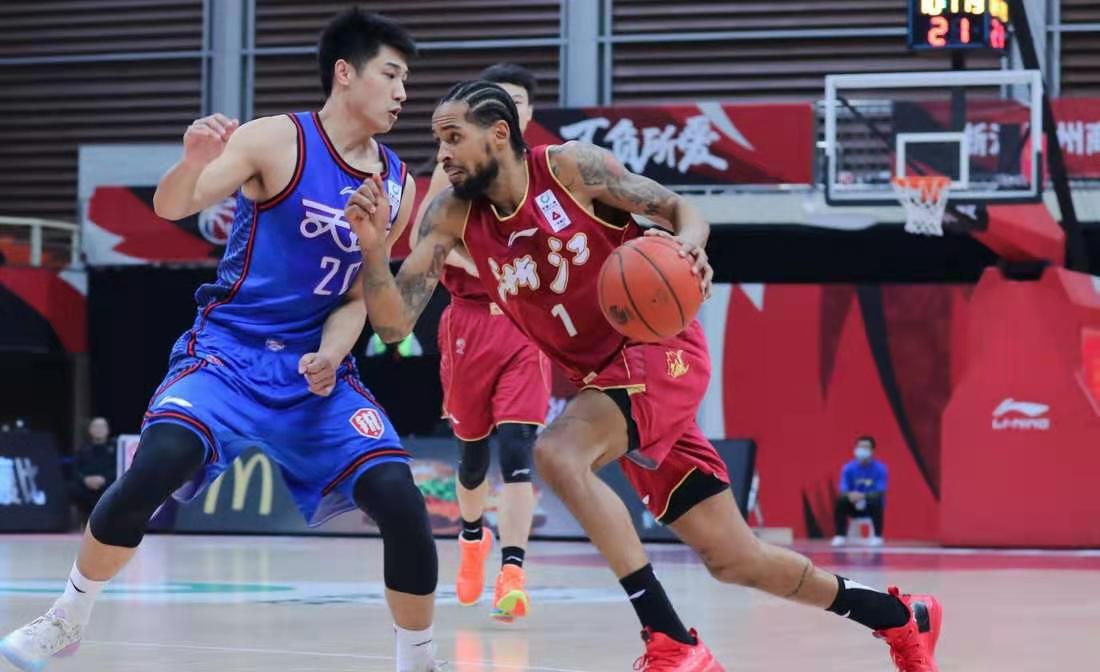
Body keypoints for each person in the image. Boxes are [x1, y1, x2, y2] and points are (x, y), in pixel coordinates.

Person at [346, 80, 944, 671]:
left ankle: (671, 640)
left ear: (499, 134)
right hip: (605, 385)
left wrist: (689, 246)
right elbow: (395, 326)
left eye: (453, 138)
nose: (443, 154)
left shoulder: (570, 169)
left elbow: (680, 209)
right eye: (438, 141)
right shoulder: (451, 214)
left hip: (659, 351)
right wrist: (374, 251)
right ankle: (900, 617)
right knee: (736, 559)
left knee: (557, 453)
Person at [0, 10, 441, 672]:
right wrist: (192, 163)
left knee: (401, 500)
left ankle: (420, 659)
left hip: (315, 373)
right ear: (346, 74)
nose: (403, 93)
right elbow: (174, 206)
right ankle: (67, 617)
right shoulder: (277, 139)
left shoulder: (398, 184)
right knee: (158, 463)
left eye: (407, 80)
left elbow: (356, 298)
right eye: (392, 75)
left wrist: (332, 351)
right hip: (228, 353)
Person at [409, 63, 549, 621]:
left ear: (525, 114)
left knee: (517, 449)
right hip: (469, 320)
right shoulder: (455, 168)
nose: (509, 107)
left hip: (525, 323)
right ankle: (472, 538)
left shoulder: (547, 171)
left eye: (517, 99)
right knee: (472, 458)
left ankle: (513, 572)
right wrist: (489, 263)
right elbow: (425, 237)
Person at [832, 436, 888, 547]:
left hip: (870, 506)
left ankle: (877, 537)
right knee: (840, 500)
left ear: (872, 450)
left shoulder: (880, 468)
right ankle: (840, 535)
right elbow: (843, 489)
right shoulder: (848, 468)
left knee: (877, 500)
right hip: (853, 504)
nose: (862, 450)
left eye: (866, 447)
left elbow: (880, 490)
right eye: (860, 447)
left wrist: (863, 496)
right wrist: (850, 495)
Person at [68, 418, 118, 524]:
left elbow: (119, 469)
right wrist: (85, 480)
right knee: (73, 488)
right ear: (90, 430)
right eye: (95, 427)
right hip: (86, 487)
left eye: (102, 427)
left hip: (108, 486)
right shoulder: (82, 450)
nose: (99, 430)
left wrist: (104, 479)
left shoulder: (116, 450)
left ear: (108, 430)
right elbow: (75, 470)